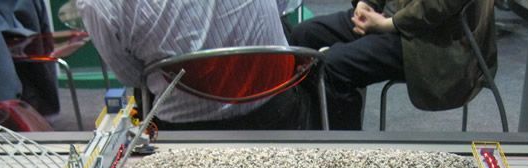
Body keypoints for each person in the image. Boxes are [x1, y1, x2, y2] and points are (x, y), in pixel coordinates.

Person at [76, 0, 313, 129]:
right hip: (277, 109)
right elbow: (281, 8)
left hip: (184, 133)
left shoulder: (95, 4)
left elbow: (132, 76)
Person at [289, 0, 497, 130]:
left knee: (334, 66)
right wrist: (367, 3)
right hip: (394, 17)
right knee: (304, 36)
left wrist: (389, 24)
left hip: (435, 39)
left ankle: (346, 158)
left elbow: (438, 6)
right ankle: (311, 139)